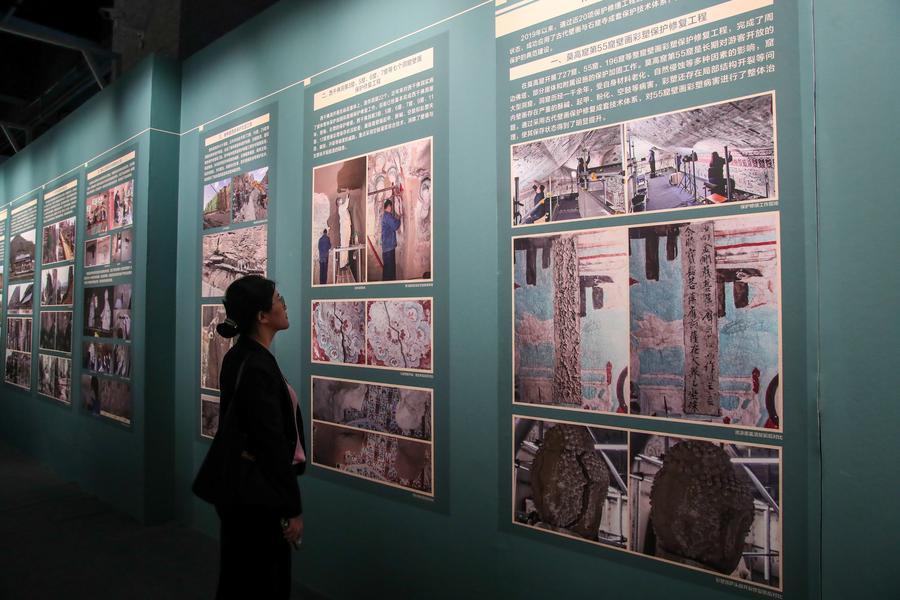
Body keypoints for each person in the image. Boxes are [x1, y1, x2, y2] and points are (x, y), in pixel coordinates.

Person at [193, 275, 306, 599]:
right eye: (278, 299)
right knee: (264, 582)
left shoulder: (240, 356)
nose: (284, 304)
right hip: (258, 500)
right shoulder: (257, 365)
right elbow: (270, 443)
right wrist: (292, 507)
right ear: (262, 316)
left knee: (239, 578)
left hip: (241, 491)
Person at [381, 198, 401, 281]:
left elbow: (392, 223)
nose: (391, 208)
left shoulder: (386, 216)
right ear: (389, 206)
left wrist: (395, 218)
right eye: (391, 207)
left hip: (387, 247)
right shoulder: (387, 216)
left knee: (387, 270)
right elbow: (395, 226)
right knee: (389, 271)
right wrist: (399, 219)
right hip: (389, 248)